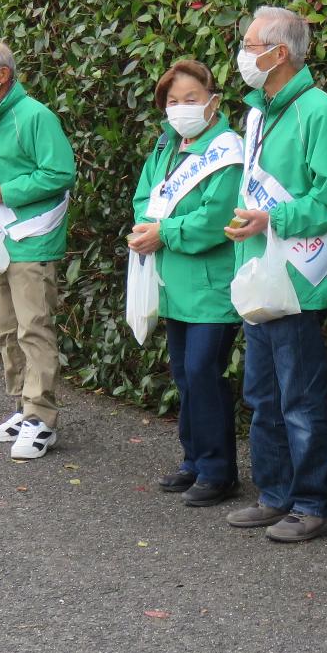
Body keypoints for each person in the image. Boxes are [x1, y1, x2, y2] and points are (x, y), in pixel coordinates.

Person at [222, 7, 327, 543]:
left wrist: (272, 217)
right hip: (260, 273)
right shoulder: (260, 112)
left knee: (299, 398)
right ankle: (275, 495)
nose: (243, 54)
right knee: (262, 395)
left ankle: (314, 503)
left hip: (298, 276)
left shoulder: (318, 112)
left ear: (279, 53)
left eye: (251, 44)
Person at [128, 60, 246, 508]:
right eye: (173, 101)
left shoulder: (227, 151)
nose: (181, 108)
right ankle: (194, 459)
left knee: (202, 371)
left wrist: (165, 232)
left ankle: (219, 471)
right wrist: (146, 226)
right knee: (184, 373)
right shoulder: (166, 147)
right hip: (173, 282)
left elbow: (218, 216)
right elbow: (146, 196)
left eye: (191, 99)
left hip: (212, 286)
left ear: (213, 101)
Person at [0, 37, 75, 460]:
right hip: (0, 237)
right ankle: (21, 406)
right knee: (6, 327)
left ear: (2, 74)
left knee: (33, 328)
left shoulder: (34, 116)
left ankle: (41, 418)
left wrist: (5, 191)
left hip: (33, 236)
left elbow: (60, 172)